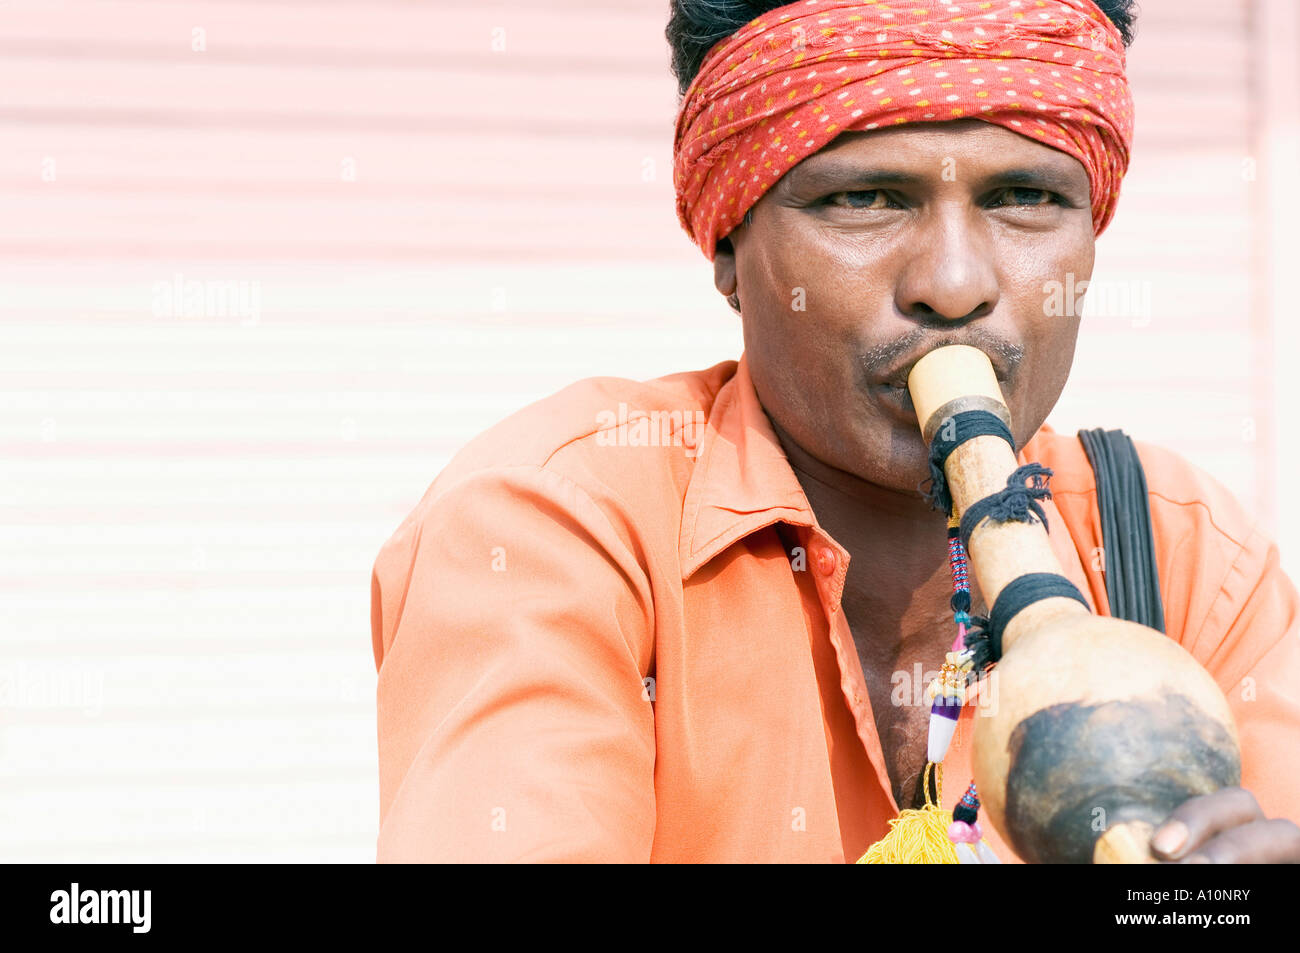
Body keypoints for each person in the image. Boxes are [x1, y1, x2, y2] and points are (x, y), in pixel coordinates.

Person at [369, 0, 1300, 863]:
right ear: (729, 247)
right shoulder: (552, 527)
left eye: (1026, 196)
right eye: (863, 199)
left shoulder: (1183, 559)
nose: (953, 283)